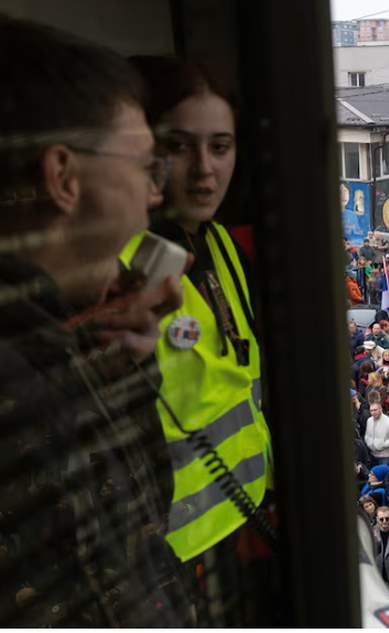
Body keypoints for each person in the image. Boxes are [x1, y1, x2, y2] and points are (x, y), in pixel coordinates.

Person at [0, 17, 191, 626]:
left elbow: (134, 532)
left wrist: (116, 373)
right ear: (63, 177)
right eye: (143, 166)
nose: (155, 196)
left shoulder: (53, 345)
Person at [127, 55, 274, 564]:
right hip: (175, 550)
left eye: (220, 147)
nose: (204, 169)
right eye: (179, 146)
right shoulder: (124, 274)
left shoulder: (223, 245)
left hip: (245, 516)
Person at [365, 401, 389, 467]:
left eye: (375, 410)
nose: (373, 413)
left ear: (381, 409)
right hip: (372, 455)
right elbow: (367, 435)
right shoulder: (369, 421)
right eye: (371, 411)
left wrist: (383, 444)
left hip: (385, 456)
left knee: (385, 477)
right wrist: (369, 443)